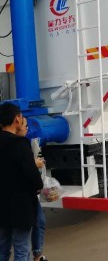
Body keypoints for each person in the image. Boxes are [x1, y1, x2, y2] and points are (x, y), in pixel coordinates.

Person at [0, 103, 43, 261]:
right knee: (21, 249)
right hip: (21, 206)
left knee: (2, 249)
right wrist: (38, 186)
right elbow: (31, 174)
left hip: (2, 205)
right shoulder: (19, 144)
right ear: (17, 119)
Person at [16, 121, 47, 261]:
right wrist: (33, 164)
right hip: (20, 196)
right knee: (21, 243)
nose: (27, 128)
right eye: (24, 125)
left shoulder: (23, 143)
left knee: (39, 221)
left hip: (29, 193)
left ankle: (37, 255)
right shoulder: (16, 145)